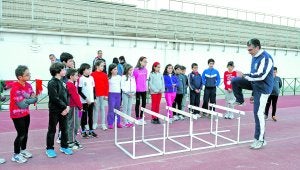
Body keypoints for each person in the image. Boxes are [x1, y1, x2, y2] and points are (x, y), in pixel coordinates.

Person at [231, 38, 274, 150]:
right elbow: (254, 75)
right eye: (248, 50)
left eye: (250, 50)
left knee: (258, 114)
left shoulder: (266, 58)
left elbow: (261, 75)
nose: (249, 52)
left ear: (257, 47)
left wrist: (244, 76)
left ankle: (260, 140)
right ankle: (240, 100)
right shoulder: (254, 57)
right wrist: (244, 77)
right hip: (255, 85)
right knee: (235, 81)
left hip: (263, 89)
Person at [10, 65, 37, 163]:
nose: (29, 75)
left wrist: (30, 99)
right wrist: (30, 99)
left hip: (26, 113)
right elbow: (21, 104)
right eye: (27, 74)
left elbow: (34, 97)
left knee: (25, 133)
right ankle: (16, 154)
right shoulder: (15, 88)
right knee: (21, 134)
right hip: (17, 114)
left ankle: (23, 150)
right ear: (20, 77)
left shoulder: (28, 85)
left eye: (29, 73)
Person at [46, 62, 73, 158]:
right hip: (55, 110)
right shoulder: (52, 83)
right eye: (63, 69)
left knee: (64, 129)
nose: (65, 71)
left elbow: (67, 95)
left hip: (64, 110)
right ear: (58, 71)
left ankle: (64, 146)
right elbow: (54, 98)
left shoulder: (62, 82)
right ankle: (49, 148)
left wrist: (67, 106)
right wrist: (64, 107)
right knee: (52, 129)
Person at [78, 63, 97, 138]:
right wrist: (86, 99)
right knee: (84, 117)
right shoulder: (81, 79)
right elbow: (79, 91)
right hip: (84, 101)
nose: (89, 70)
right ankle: (83, 131)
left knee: (90, 116)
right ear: (83, 70)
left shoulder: (91, 78)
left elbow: (93, 89)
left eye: (90, 69)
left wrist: (94, 99)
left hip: (91, 101)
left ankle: (91, 130)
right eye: (87, 69)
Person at [66, 68, 83, 150]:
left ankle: (72, 139)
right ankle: (71, 142)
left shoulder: (71, 84)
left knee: (74, 124)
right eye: (76, 75)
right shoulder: (70, 85)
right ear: (71, 76)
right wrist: (80, 106)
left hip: (73, 106)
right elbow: (75, 96)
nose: (77, 77)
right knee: (73, 125)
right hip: (72, 106)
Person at [91, 60, 109, 130]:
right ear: (97, 66)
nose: (103, 67)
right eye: (101, 66)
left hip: (102, 95)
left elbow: (107, 85)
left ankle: (103, 124)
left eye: (103, 66)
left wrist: (106, 95)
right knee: (95, 109)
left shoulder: (104, 75)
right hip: (95, 95)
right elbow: (92, 86)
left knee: (102, 109)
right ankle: (95, 123)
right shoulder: (92, 74)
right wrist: (93, 95)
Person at [133, 56, 148, 124]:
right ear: (140, 61)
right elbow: (134, 79)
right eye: (144, 61)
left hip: (144, 89)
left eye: (146, 62)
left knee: (144, 103)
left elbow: (145, 79)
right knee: (138, 103)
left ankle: (141, 116)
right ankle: (137, 116)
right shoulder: (135, 70)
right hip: (138, 90)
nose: (145, 63)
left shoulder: (146, 70)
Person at [107, 63, 122, 129]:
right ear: (111, 71)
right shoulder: (108, 78)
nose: (116, 70)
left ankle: (118, 122)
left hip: (118, 94)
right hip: (111, 94)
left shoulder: (119, 77)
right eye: (115, 69)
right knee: (111, 109)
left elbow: (122, 86)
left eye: (117, 69)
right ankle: (110, 123)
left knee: (118, 108)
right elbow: (106, 87)